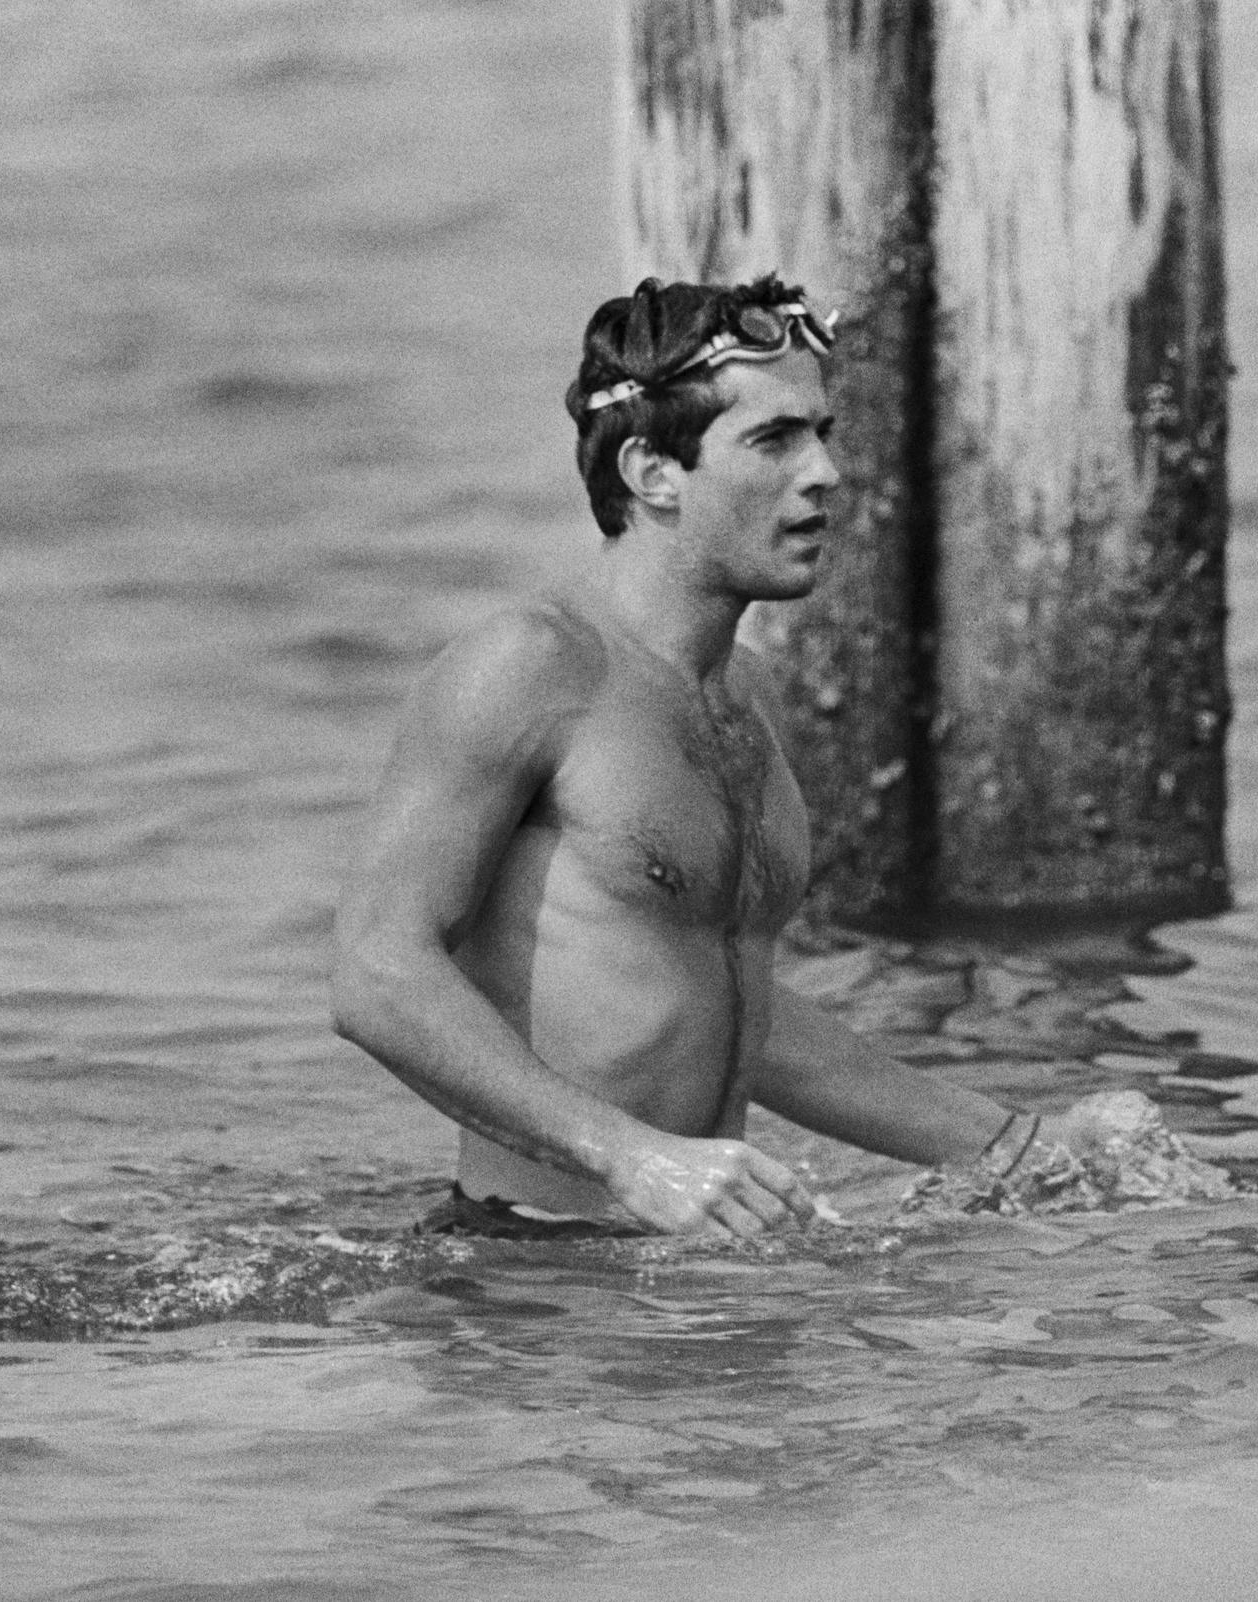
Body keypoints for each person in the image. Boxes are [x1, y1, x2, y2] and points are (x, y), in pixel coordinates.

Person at [332, 275, 1080, 1240]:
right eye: (774, 441)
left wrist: (1020, 1148)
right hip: (535, 1281)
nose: (826, 474)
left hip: (694, 1277)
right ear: (652, 472)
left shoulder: (749, 700)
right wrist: (631, 1158)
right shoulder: (531, 668)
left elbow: (725, 1001)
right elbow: (374, 970)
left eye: (824, 433)